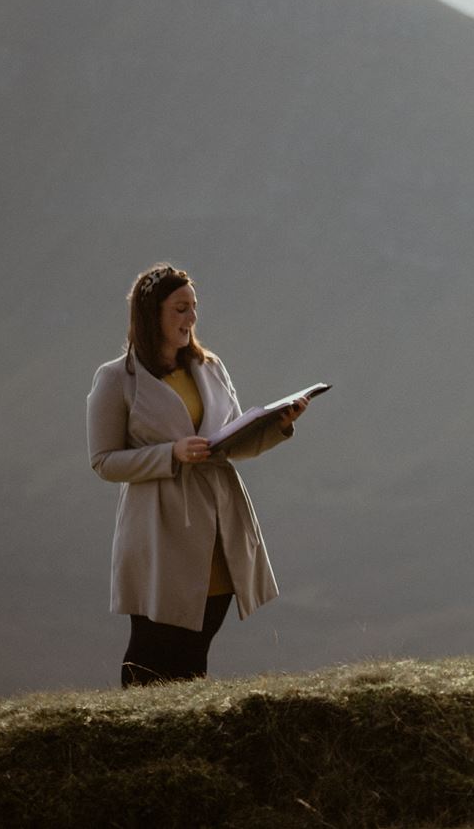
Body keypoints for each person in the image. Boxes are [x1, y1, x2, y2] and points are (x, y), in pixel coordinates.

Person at [86, 262, 307, 685]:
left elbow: (232, 443)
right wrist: (171, 453)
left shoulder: (211, 367)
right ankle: (135, 737)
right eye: (180, 309)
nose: (191, 318)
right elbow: (103, 461)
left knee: (196, 650)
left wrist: (278, 424)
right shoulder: (117, 379)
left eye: (194, 307)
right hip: (159, 532)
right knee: (151, 652)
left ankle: (182, 741)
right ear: (152, 315)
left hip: (220, 529)